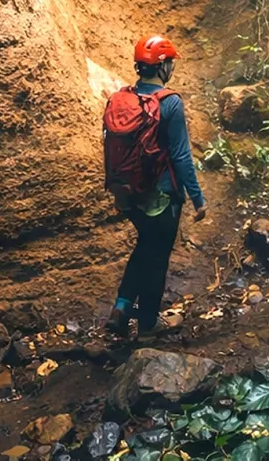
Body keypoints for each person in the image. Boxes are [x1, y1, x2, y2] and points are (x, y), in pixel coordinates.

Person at [103, 35, 206, 339]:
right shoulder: (169, 102)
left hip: (129, 193)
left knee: (144, 246)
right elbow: (181, 155)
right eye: (170, 62)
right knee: (157, 257)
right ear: (162, 66)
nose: (172, 67)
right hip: (161, 197)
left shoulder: (122, 98)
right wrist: (198, 199)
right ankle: (148, 324)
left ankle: (121, 309)